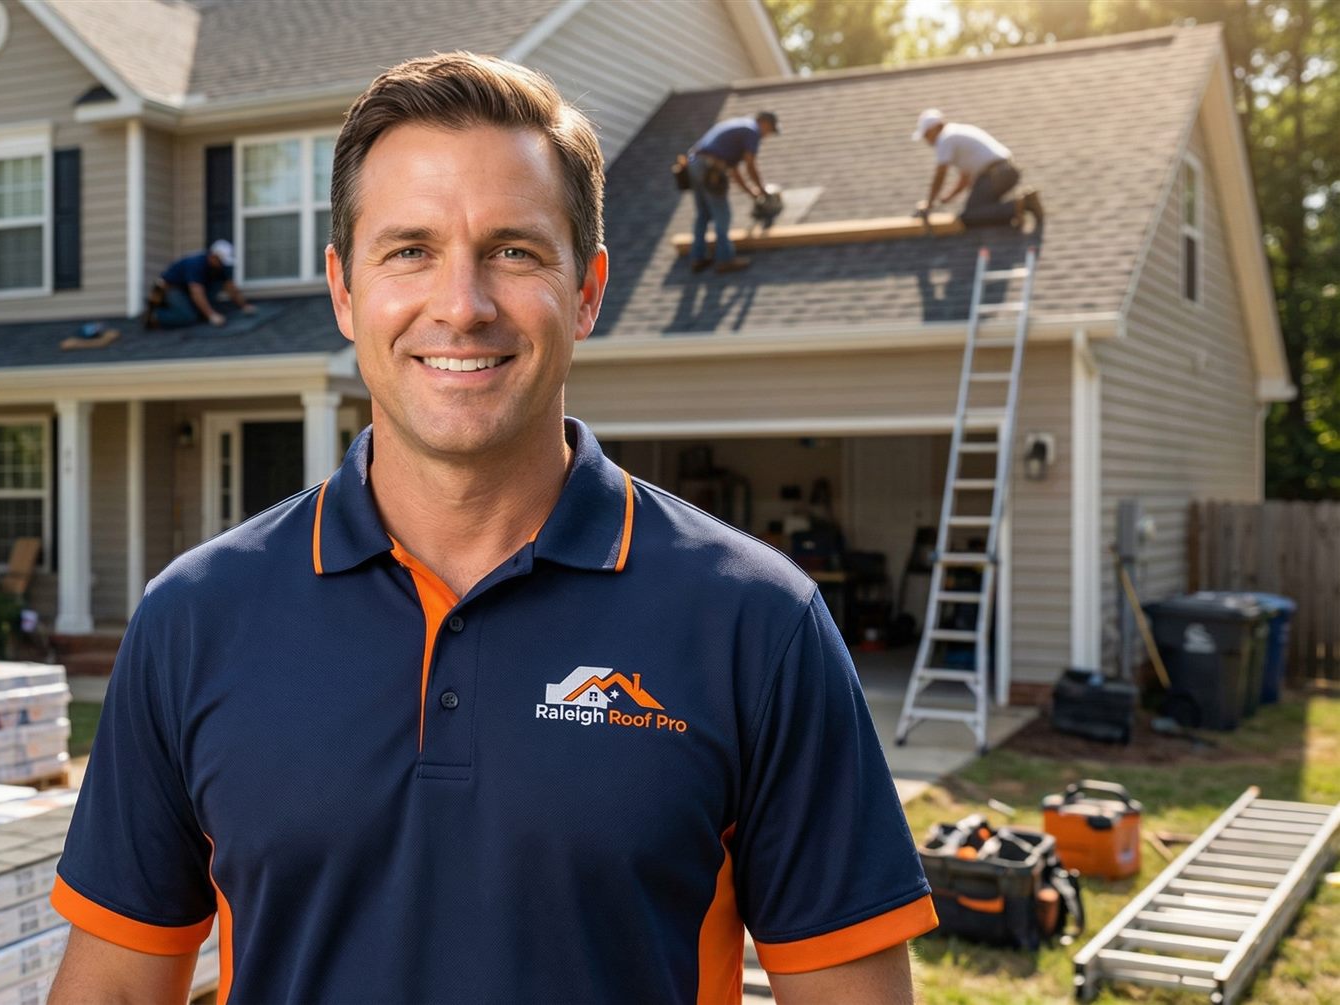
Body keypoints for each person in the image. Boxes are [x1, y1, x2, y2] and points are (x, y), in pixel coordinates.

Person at [50, 53, 934, 1005]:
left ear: (589, 289)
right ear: (345, 291)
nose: (462, 305)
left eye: (513, 250)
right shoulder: (193, 619)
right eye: (410, 250)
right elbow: (116, 989)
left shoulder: (757, 626)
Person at [913, 108, 1043, 230]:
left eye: (926, 134)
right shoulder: (956, 133)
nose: (927, 140)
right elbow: (965, 179)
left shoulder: (945, 138)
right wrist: (946, 198)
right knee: (981, 208)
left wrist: (930, 203)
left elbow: (940, 174)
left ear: (934, 128)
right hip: (1006, 171)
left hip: (996, 175)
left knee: (970, 215)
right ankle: (1015, 210)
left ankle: (1021, 205)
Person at [685, 111, 778, 273]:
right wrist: (763, 191)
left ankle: (697, 258)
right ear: (764, 122)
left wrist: (752, 193)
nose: (767, 135)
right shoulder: (752, 131)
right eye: (769, 130)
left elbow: (734, 171)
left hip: (693, 163)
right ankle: (725, 259)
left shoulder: (739, 126)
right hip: (709, 167)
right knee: (723, 214)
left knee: (704, 214)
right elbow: (750, 166)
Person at [145, 239, 256, 328]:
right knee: (188, 317)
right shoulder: (196, 264)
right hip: (172, 289)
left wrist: (244, 306)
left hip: (189, 291)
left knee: (217, 284)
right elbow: (196, 292)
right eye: (222, 261)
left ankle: (199, 310)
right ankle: (156, 316)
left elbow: (230, 287)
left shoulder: (220, 267)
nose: (223, 264)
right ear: (213, 256)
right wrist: (212, 315)